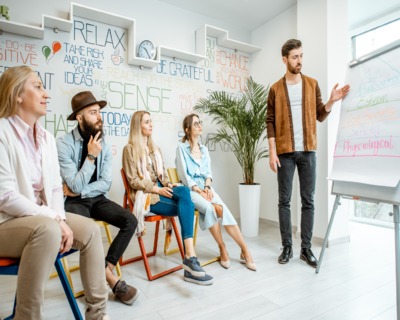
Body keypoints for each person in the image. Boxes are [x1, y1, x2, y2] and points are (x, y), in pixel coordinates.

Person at [0, 65, 110, 320]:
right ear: (17, 94)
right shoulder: (2, 133)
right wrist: (53, 220)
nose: (46, 94)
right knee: (47, 230)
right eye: (37, 86)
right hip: (7, 223)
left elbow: (53, 188)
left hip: (43, 219)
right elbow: (6, 196)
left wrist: (59, 218)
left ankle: (98, 315)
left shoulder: (47, 138)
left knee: (91, 230)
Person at [266, 39, 350, 268]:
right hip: (284, 152)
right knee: (284, 201)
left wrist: (332, 101)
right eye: (294, 57)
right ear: (284, 60)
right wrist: (272, 152)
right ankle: (287, 247)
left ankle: (306, 249)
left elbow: (320, 115)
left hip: (308, 152)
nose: (299, 60)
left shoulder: (312, 84)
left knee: (308, 201)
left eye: (301, 55)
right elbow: (270, 122)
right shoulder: (275, 89)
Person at [56, 91, 139, 305]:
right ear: (80, 117)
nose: (99, 117)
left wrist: (80, 190)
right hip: (73, 203)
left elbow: (105, 182)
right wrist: (91, 155)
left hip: (94, 197)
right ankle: (111, 280)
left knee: (130, 220)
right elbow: (72, 185)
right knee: (87, 233)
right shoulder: (63, 144)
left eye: (99, 112)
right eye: (93, 113)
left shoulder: (104, 140)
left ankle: (104, 270)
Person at [122, 110, 214, 286]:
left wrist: (168, 184)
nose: (151, 124)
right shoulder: (129, 150)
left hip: (161, 191)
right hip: (148, 197)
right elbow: (133, 181)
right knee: (186, 203)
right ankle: (190, 258)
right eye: (146, 122)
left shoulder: (155, 150)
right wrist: (157, 189)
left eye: (151, 121)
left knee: (184, 192)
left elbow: (162, 176)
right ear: (137, 126)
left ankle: (189, 257)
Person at [176, 114, 256, 271]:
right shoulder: (181, 149)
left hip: (205, 188)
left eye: (200, 123)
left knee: (223, 209)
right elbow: (184, 176)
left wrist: (206, 188)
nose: (200, 125)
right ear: (187, 129)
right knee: (210, 208)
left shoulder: (204, 150)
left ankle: (244, 249)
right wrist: (199, 190)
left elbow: (208, 173)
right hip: (190, 191)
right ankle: (222, 247)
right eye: (196, 124)